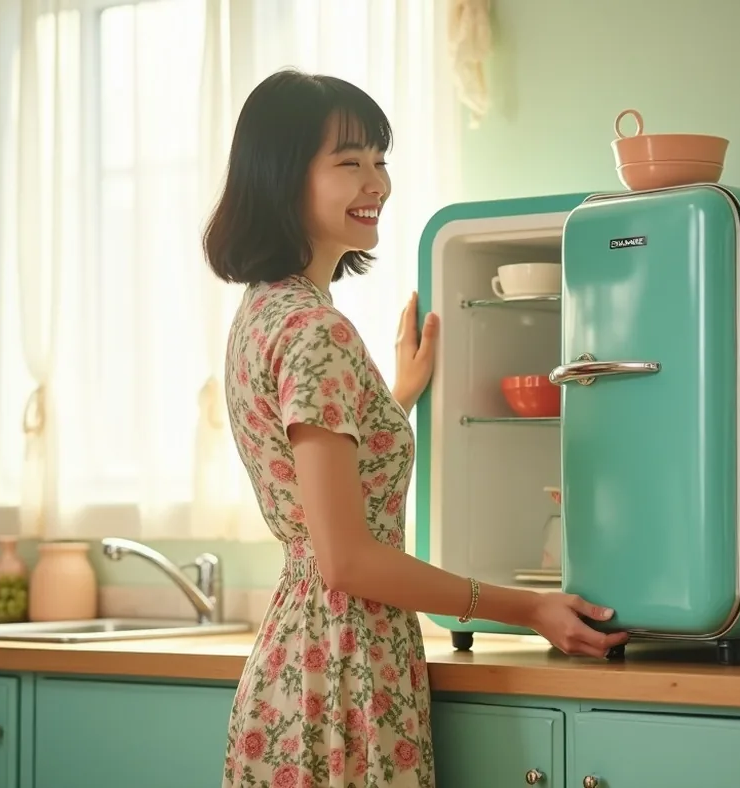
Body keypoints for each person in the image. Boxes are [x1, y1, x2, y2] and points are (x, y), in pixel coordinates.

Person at [203, 68, 630, 788]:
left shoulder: (264, 312)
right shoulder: (318, 334)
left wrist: (392, 399)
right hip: (342, 670)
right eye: (349, 163)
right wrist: (529, 606)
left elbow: (321, 478)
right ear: (282, 178)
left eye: (380, 160)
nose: (377, 183)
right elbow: (348, 561)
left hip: (293, 672)